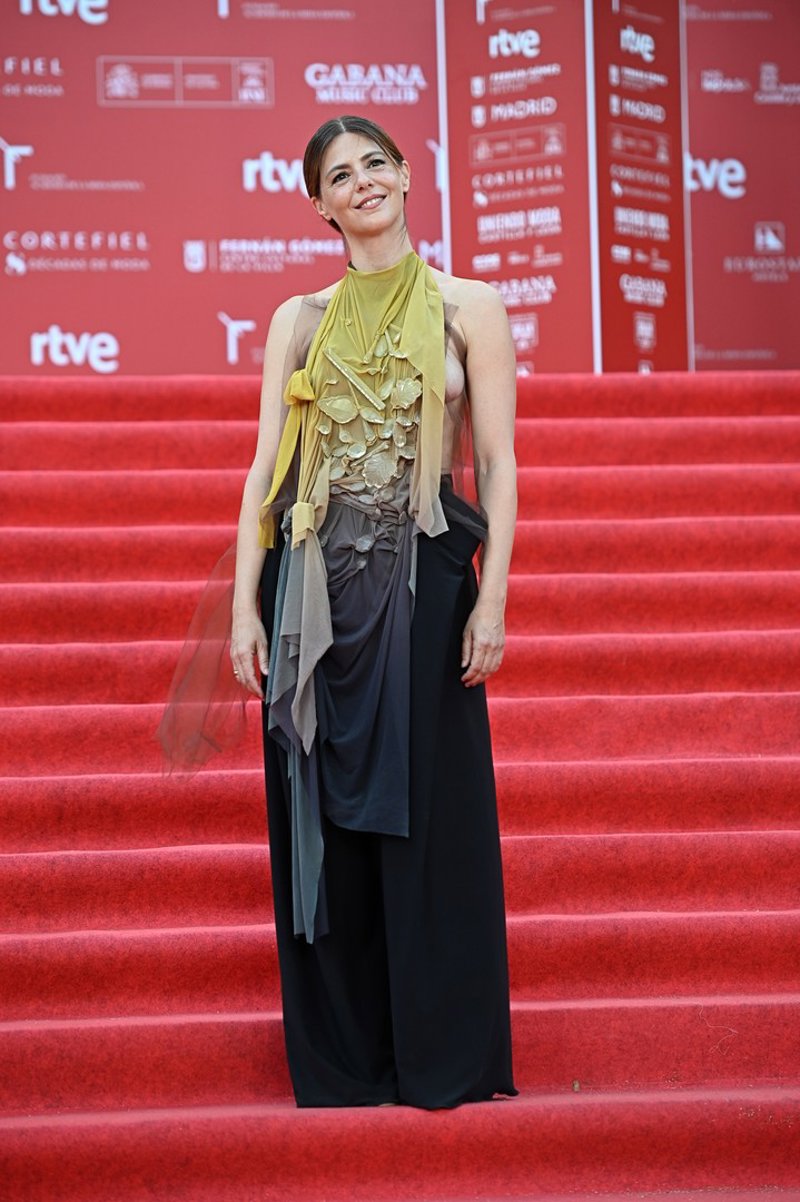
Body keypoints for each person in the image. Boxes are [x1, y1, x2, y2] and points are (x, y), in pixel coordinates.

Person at [164, 114, 518, 1109]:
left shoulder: (470, 307)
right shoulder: (298, 319)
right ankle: (347, 1057)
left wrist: (493, 594)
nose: (361, 181)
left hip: (424, 585)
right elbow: (263, 470)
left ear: (405, 175)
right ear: (318, 205)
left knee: (430, 817)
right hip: (311, 592)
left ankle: (440, 1053)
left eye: (374, 163)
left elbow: (497, 464)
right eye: (338, 175)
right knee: (320, 813)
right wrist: (245, 605)